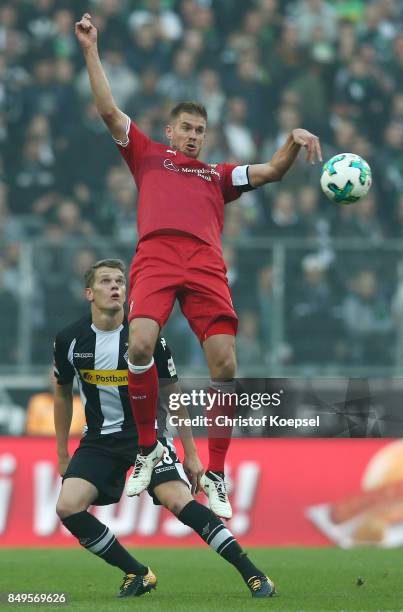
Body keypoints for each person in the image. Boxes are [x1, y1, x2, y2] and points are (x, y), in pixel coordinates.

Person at [74, 13, 322, 519]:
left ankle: (217, 471)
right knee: (139, 344)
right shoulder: (147, 155)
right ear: (170, 130)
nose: (193, 136)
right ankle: (147, 449)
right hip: (159, 255)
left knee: (226, 365)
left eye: (200, 130)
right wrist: (90, 50)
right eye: (186, 128)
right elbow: (106, 109)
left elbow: (273, 171)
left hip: (206, 261)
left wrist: (293, 139)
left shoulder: (218, 175)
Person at [54, 259, 275, 599]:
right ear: (89, 293)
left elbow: (174, 396)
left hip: (149, 437)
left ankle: (254, 574)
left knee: (178, 501)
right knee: (67, 507)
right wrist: (62, 453)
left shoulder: (145, 335)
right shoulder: (69, 339)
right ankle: (137, 573)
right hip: (100, 439)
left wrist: (190, 452)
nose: (115, 287)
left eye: (120, 282)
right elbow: (62, 394)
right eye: (106, 282)